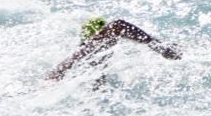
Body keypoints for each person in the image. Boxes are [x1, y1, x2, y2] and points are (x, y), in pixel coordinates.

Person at [46, 17, 181, 82]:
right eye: (105, 35)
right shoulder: (84, 54)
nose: (113, 40)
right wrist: (159, 47)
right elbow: (118, 25)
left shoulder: (94, 64)